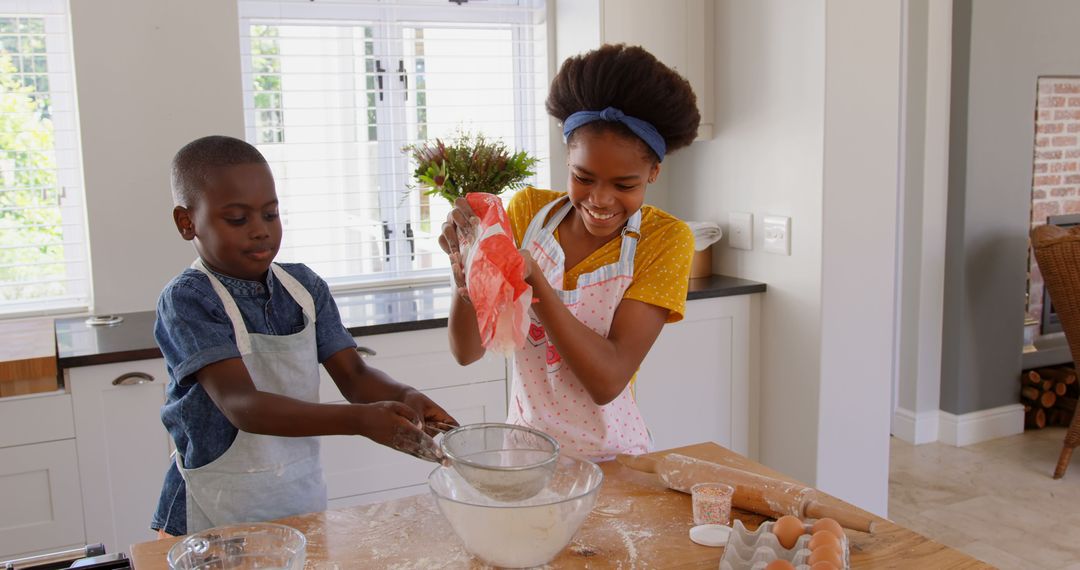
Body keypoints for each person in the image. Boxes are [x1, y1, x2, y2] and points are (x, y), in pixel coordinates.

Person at [151, 135, 457, 537]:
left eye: (271, 214)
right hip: (211, 511)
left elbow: (356, 377)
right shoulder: (188, 300)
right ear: (187, 222)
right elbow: (244, 406)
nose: (260, 231)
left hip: (296, 499)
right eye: (238, 220)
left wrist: (405, 397)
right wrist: (360, 421)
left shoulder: (304, 288)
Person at [439, 44, 699, 461]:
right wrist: (467, 275)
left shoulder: (664, 239)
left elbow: (608, 380)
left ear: (653, 172)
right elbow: (467, 352)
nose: (600, 199)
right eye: (583, 177)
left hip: (613, 463)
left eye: (624, 185)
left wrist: (534, 280)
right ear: (567, 159)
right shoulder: (527, 213)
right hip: (526, 456)